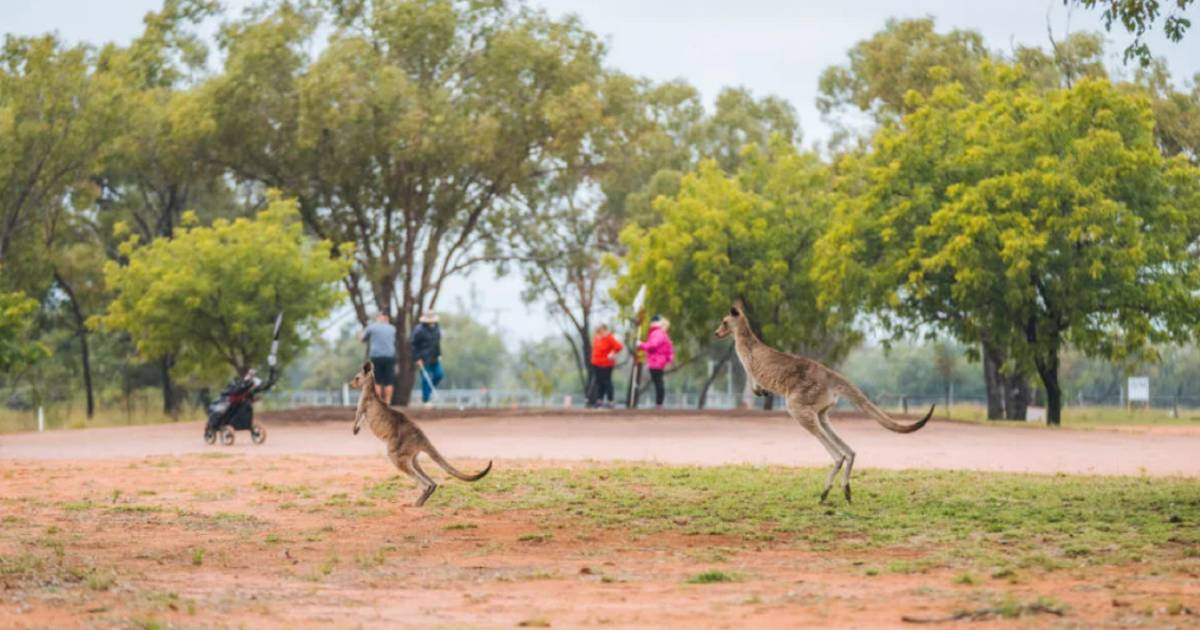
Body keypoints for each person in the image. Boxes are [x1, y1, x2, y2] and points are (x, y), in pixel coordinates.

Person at [638, 316, 674, 409]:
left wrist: (640, 344)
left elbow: (652, 345)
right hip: (658, 360)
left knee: (658, 382)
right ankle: (659, 403)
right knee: (658, 382)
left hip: (656, 361)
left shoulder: (658, 333)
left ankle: (659, 403)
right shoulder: (662, 334)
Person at [361, 312, 397, 404]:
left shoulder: (372, 327)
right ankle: (388, 402)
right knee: (389, 381)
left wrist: (361, 334)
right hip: (389, 356)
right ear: (387, 318)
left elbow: (363, 339)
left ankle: (379, 402)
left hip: (376, 357)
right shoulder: (392, 328)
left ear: (378, 317)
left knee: (377, 381)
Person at [411, 311, 444, 405]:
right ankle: (426, 399)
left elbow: (437, 343)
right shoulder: (419, 330)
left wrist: (439, 354)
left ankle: (428, 392)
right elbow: (413, 345)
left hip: (434, 357)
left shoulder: (436, 328)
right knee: (426, 377)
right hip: (423, 358)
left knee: (439, 374)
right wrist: (417, 358)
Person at [587, 324, 623, 408]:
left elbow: (619, 346)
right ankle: (600, 400)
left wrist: (612, 353)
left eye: (601, 331)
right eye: (598, 331)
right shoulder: (596, 338)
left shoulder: (609, 337)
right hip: (596, 363)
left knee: (607, 382)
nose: (599, 333)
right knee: (599, 383)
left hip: (606, 364)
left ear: (605, 330)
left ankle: (611, 401)